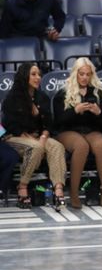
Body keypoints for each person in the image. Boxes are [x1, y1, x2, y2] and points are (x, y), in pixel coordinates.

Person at [2, 63, 67, 210]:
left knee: (56, 146)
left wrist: (44, 136)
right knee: (35, 147)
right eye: (33, 74)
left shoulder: (42, 96)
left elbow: (49, 123)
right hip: (14, 137)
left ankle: (58, 190)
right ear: (25, 76)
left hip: (38, 136)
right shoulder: (12, 98)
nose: (38, 77)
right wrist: (30, 135)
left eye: (39, 74)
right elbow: (11, 125)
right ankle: (22, 186)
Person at [53, 58, 102, 209]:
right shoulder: (63, 93)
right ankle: (73, 192)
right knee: (81, 146)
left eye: (88, 74)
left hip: (91, 130)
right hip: (68, 131)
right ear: (75, 74)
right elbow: (58, 121)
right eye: (81, 74)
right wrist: (75, 111)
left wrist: (99, 113)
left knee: (101, 144)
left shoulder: (98, 93)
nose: (85, 77)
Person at [0, 0, 65, 40]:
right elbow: (4, 30)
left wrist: (56, 29)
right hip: (18, 40)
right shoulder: (10, 2)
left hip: (41, 38)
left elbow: (60, 16)